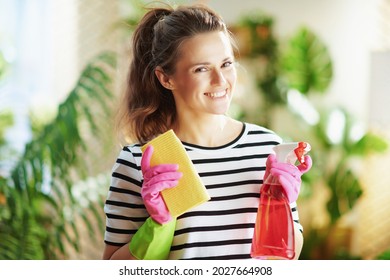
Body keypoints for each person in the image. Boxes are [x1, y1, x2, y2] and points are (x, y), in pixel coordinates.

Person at [102, 3, 312, 260]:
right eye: (201, 69)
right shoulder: (141, 162)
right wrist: (159, 223)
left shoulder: (267, 147)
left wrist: (282, 207)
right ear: (165, 78)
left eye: (226, 64)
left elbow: (285, 259)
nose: (220, 81)